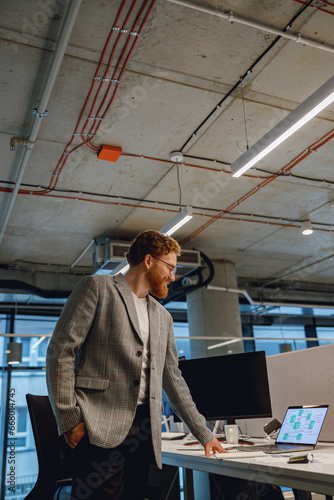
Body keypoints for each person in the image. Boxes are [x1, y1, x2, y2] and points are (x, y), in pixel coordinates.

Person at [46, 230, 224, 500]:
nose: (173, 276)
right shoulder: (97, 288)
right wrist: (70, 420)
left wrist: (204, 433)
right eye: (170, 267)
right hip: (98, 425)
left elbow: (172, 378)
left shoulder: (163, 317)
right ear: (149, 260)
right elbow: (61, 352)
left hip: (143, 431)